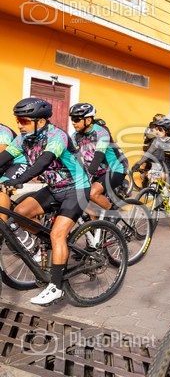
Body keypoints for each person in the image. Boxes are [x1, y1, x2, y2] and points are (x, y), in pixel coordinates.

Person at [0, 98, 91, 305]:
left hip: (76, 189)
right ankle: (47, 242)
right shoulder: (24, 139)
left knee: (58, 234)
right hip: (53, 188)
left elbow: (43, 162)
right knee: (20, 213)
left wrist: (18, 181)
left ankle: (56, 287)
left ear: (40, 122)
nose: (19, 125)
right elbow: (4, 157)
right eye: (17, 120)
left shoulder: (57, 136)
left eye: (24, 121)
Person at [70, 103, 129, 214]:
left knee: (92, 193)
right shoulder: (75, 136)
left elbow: (98, 155)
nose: (73, 122)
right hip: (98, 171)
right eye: (72, 119)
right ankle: (94, 222)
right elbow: (69, 153)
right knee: (78, 196)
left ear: (88, 120)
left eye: (76, 119)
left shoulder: (101, 132)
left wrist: (88, 172)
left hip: (115, 169)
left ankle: (112, 215)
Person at [131, 118, 170, 202]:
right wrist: (138, 163)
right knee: (162, 180)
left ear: (166, 130)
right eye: (156, 129)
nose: (157, 132)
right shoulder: (157, 140)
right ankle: (164, 200)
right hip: (168, 162)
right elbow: (148, 153)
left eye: (160, 129)